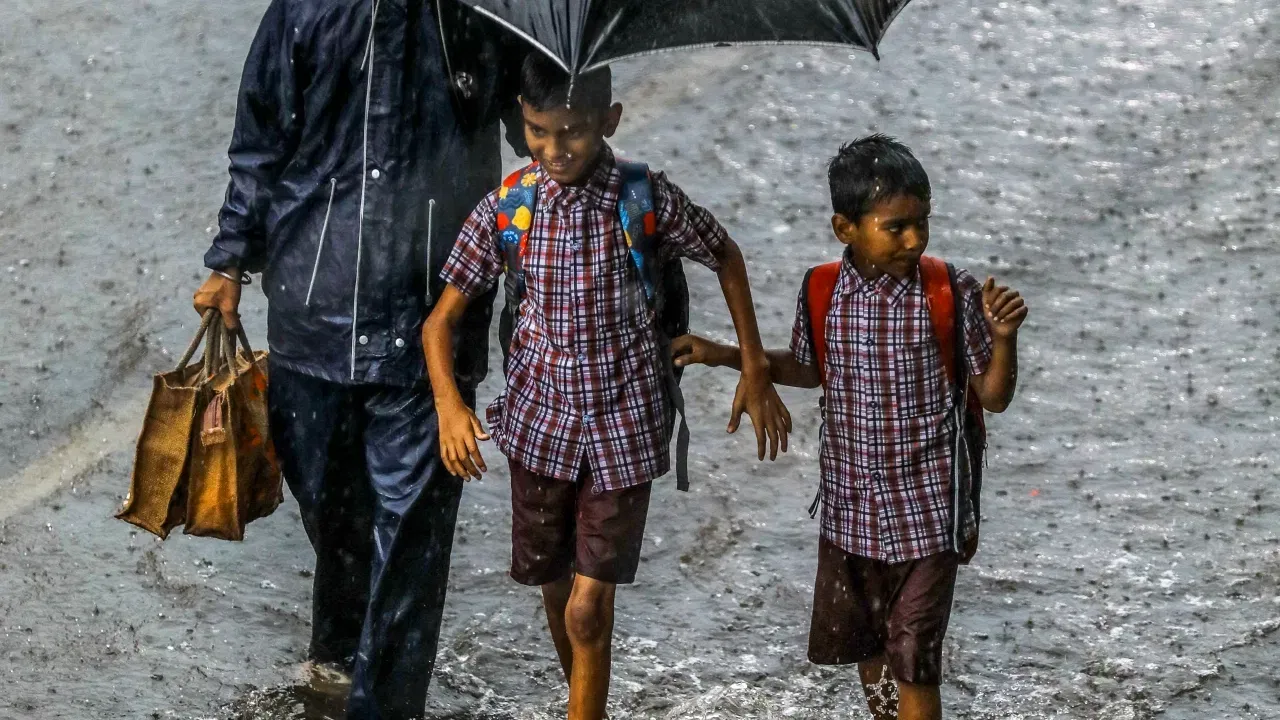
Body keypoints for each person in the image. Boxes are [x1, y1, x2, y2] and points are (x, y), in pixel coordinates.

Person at [422, 54, 791, 720]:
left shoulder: (644, 197)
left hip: (625, 424)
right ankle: (583, 702)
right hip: (539, 424)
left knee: (589, 609)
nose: (555, 149)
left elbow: (725, 253)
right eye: (539, 131)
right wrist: (450, 407)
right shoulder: (511, 205)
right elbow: (439, 322)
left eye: (574, 132)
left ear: (609, 121)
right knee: (553, 583)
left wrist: (756, 365)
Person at [190, 1, 526, 718]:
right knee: (334, 513)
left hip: (433, 321)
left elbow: (547, 122)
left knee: (409, 537)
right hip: (315, 308)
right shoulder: (306, 11)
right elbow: (259, 138)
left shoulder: (484, 16)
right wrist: (229, 260)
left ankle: (386, 704)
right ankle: (336, 668)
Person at [671, 135, 1028, 720]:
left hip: (929, 517)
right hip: (849, 514)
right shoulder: (821, 290)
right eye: (896, 227)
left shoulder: (951, 292)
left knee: (914, 657)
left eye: (923, 223)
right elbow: (810, 369)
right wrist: (730, 354)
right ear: (846, 228)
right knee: (871, 656)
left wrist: (1005, 339)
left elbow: (993, 395)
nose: (914, 240)